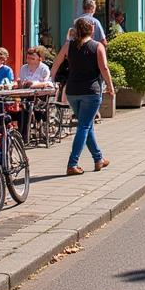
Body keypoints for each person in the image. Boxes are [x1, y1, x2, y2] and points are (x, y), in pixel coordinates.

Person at [50, 17, 114, 175]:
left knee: (86, 125)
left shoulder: (68, 45)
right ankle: (72, 163)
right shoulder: (97, 46)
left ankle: (98, 159)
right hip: (91, 91)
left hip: (72, 91)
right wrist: (111, 87)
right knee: (84, 126)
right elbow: (104, 68)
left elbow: (56, 63)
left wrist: (50, 79)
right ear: (91, 30)